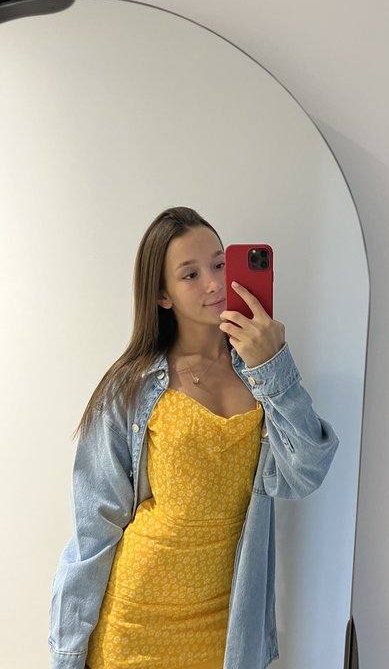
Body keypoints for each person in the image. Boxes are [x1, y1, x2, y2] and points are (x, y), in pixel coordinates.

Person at [49, 206, 341, 669]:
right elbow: (94, 529)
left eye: (220, 264)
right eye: (191, 274)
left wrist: (273, 365)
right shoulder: (130, 387)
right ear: (162, 294)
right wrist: (68, 652)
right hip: (135, 620)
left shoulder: (263, 373)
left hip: (224, 625)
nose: (214, 283)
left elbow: (307, 471)